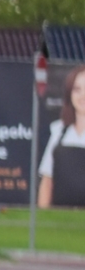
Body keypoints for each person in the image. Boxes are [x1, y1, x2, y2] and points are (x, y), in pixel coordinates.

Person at [38, 66, 85, 209]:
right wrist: (44, 217)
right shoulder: (58, 130)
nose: (82, 96)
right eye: (77, 90)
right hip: (61, 217)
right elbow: (47, 180)